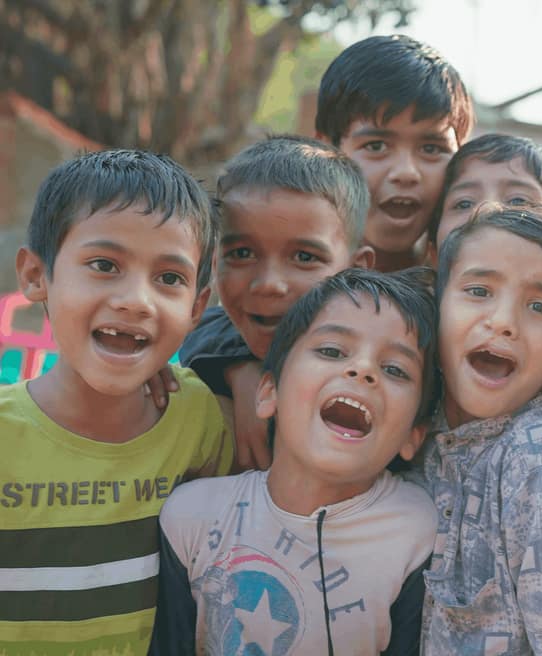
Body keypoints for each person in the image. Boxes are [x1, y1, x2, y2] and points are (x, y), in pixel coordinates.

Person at [0, 150, 232, 653]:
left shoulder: (198, 419)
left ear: (196, 306)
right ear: (36, 275)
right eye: (104, 265)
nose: (137, 300)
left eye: (169, 278)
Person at [152, 268, 438, 655]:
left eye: (394, 370)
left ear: (413, 437)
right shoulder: (190, 518)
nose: (362, 370)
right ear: (268, 392)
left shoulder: (420, 535)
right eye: (332, 351)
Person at [420, 204, 542, 654]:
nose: (504, 321)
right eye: (477, 290)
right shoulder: (412, 424)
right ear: (436, 303)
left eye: (538, 306)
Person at [179, 135, 375, 470]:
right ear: (214, 266)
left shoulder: (383, 373)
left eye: (303, 257)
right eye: (241, 254)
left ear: (357, 272)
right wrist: (238, 368)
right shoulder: (194, 400)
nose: (269, 284)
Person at [425, 132, 542, 354]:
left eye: (518, 201)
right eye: (464, 203)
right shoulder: (404, 336)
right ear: (434, 255)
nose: (487, 209)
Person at [316, 34, 474, 273]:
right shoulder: (284, 291)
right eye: (376, 146)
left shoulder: (468, 300)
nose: (406, 173)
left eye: (431, 149)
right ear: (326, 150)